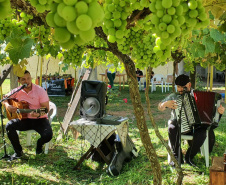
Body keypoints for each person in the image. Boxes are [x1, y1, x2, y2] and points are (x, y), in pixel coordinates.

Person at [158, 74, 225, 167]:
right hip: (179, 125)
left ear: (189, 85)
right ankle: (177, 157)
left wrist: (219, 112)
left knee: (202, 133)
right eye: (178, 87)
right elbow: (160, 107)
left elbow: (213, 116)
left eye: (183, 87)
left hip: (196, 127)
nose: (180, 89)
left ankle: (189, 157)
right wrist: (165, 104)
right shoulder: (174, 96)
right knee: (172, 127)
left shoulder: (198, 95)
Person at [3, 70, 53, 161]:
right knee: (9, 126)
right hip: (24, 119)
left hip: (39, 119)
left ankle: (39, 145)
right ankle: (18, 152)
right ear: (19, 81)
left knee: (48, 135)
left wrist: (38, 114)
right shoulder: (17, 91)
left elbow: (46, 109)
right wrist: (8, 106)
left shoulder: (40, 91)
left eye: (28, 78)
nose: (27, 81)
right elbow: (4, 98)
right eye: (23, 79)